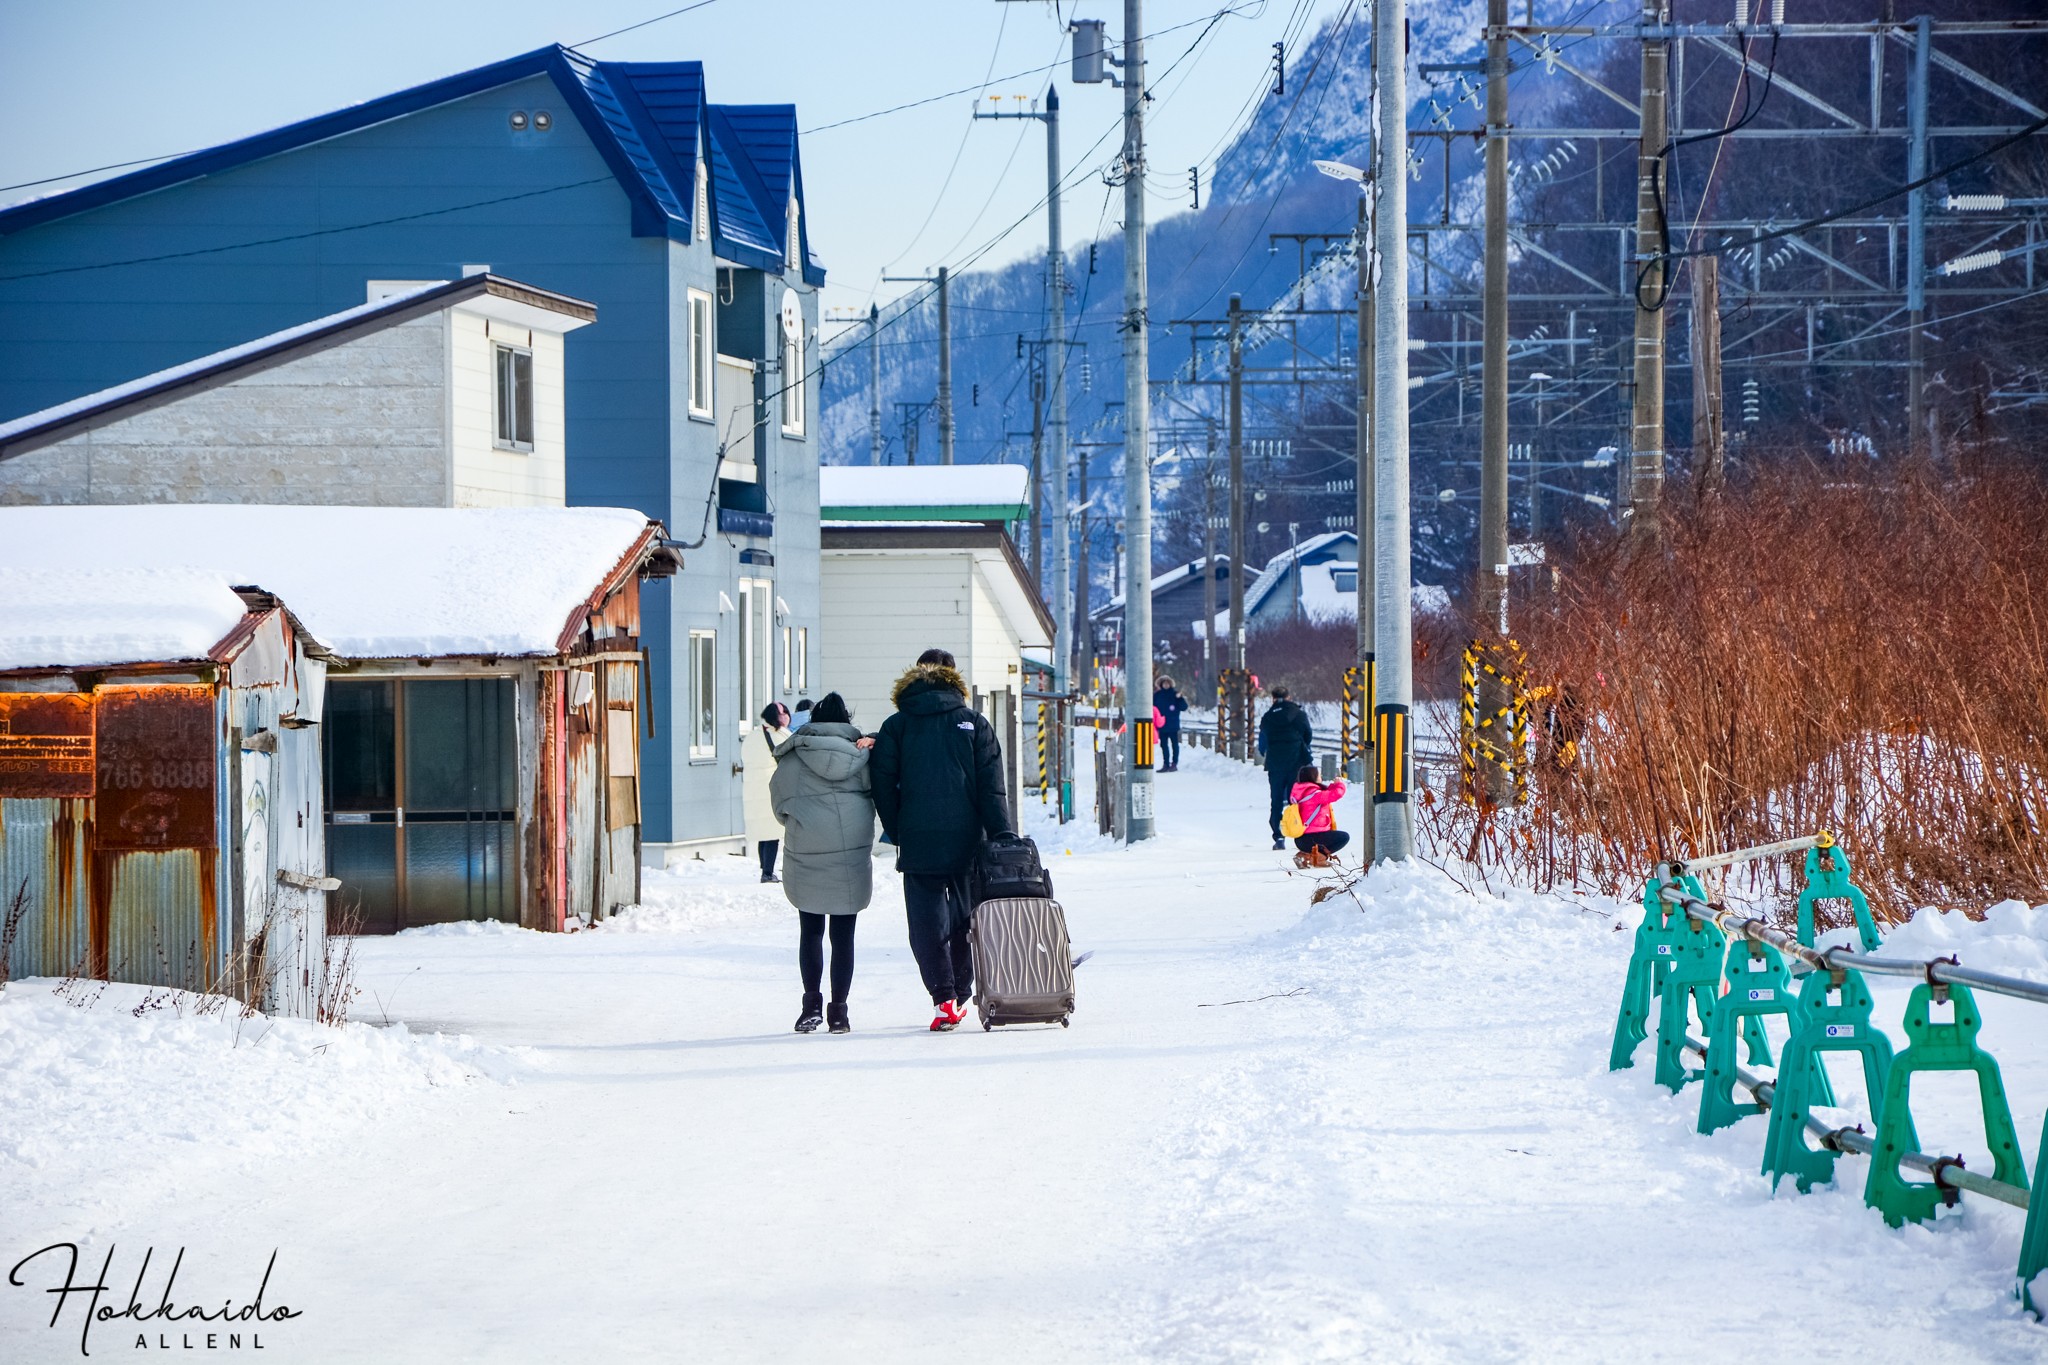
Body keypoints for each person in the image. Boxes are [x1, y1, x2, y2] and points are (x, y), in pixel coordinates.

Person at [870, 647, 1013, 1032]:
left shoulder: (896, 726)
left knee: (925, 922)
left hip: (918, 839)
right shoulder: (974, 723)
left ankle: (943, 997)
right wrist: (1001, 836)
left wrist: (898, 828)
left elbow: (882, 784)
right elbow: (991, 789)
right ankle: (961, 990)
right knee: (970, 918)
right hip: (968, 840)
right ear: (954, 678)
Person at [770, 693, 876, 1034]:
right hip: (849, 855)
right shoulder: (864, 756)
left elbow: (780, 806)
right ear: (846, 720)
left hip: (807, 853)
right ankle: (840, 1013)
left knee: (811, 931)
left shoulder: (795, 757)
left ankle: (810, 1006)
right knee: (843, 937)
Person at [1256, 684, 1314, 850]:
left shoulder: (1267, 717)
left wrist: (1266, 752)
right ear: (1288, 697)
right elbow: (1308, 736)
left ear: (1273, 699)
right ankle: (1300, 834)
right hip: (1297, 764)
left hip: (1275, 764)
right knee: (1296, 800)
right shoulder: (1299, 714)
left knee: (1276, 801)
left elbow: (1263, 743)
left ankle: (1279, 837)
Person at [746, 702, 793, 882]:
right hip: (773, 787)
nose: (787, 717)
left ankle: (765, 867)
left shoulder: (753, 735)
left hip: (754, 789)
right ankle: (767, 872)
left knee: (762, 831)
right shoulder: (780, 735)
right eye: (785, 713)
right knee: (772, 831)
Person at [1287, 765, 1350, 868]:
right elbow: (1335, 794)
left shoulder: (1301, 793)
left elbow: (1325, 794)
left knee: (1332, 837)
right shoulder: (1315, 794)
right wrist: (1339, 784)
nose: (1321, 776)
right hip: (1313, 838)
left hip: (1301, 838)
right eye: (1319, 775)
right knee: (1343, 837)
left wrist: (1333, 786)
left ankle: (1304, 855)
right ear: (1313, 777)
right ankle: (1315, 858)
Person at [1153, 674, 1188, 772]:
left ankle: (1174, 763)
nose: (1166, 685)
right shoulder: (1157, 695)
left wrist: (1180, 698)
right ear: (1161, 684)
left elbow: (1184, 707)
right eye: (1164, 683)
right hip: (1161, 724)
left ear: (1170, 684)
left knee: (1174, 744)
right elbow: (1152, 708)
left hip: (1173, 724)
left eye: (1167, 683)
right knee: (1164, 745)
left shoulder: (1175, 694)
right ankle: (1166, 764)